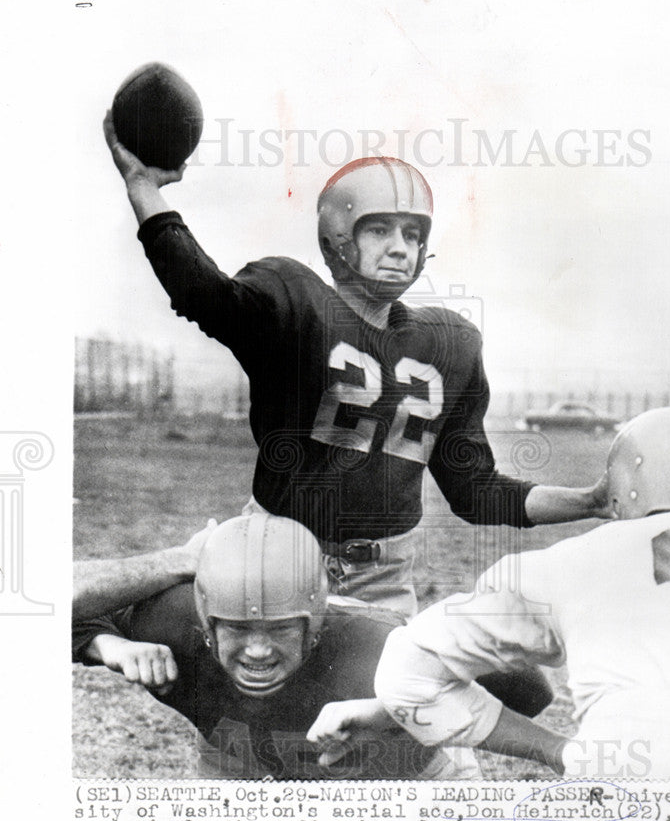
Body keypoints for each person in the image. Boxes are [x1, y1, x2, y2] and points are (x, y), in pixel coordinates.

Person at [104, 116, 608, 617]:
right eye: (380, 229)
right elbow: (202, 292)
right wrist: (143, 187)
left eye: (413, 234)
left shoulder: (450, 343)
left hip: (382, 580)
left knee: (406, 692)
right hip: (273, 557)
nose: (400, 247)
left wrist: (589, 501)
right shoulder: (295, 301)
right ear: (339, 237)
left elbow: (476, 491)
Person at [309, 407, 670, 782]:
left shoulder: (577, 559)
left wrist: (557, 751)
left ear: (622, 481)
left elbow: (408, 672)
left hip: (630, 764)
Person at [73, 512, 551, 780]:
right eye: (236, 629)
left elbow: (532, 691)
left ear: (317, 625)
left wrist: (394, 707)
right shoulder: (169, 626)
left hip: (400, 782)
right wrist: (105, 644)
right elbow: (41, 603)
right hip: (244, 771)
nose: (257, 651)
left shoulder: (377, 645)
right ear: (203, 621)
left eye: (280, 629)